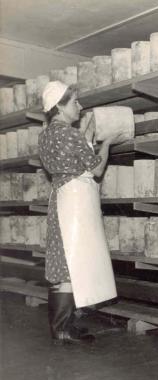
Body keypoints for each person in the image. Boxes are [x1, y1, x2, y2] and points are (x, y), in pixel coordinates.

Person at [39, 81, 118, 345]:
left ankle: (63, 326)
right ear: (60, 107)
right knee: (73, 265)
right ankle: (61, 329)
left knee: (64, 264)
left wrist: (87, 135)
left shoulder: (47, 134)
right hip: (75, 202)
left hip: (60, 198)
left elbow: (71, 157)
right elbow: (95, 170)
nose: (80, 106)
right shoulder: (69, 135)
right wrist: (106, 145)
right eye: (75, 102)